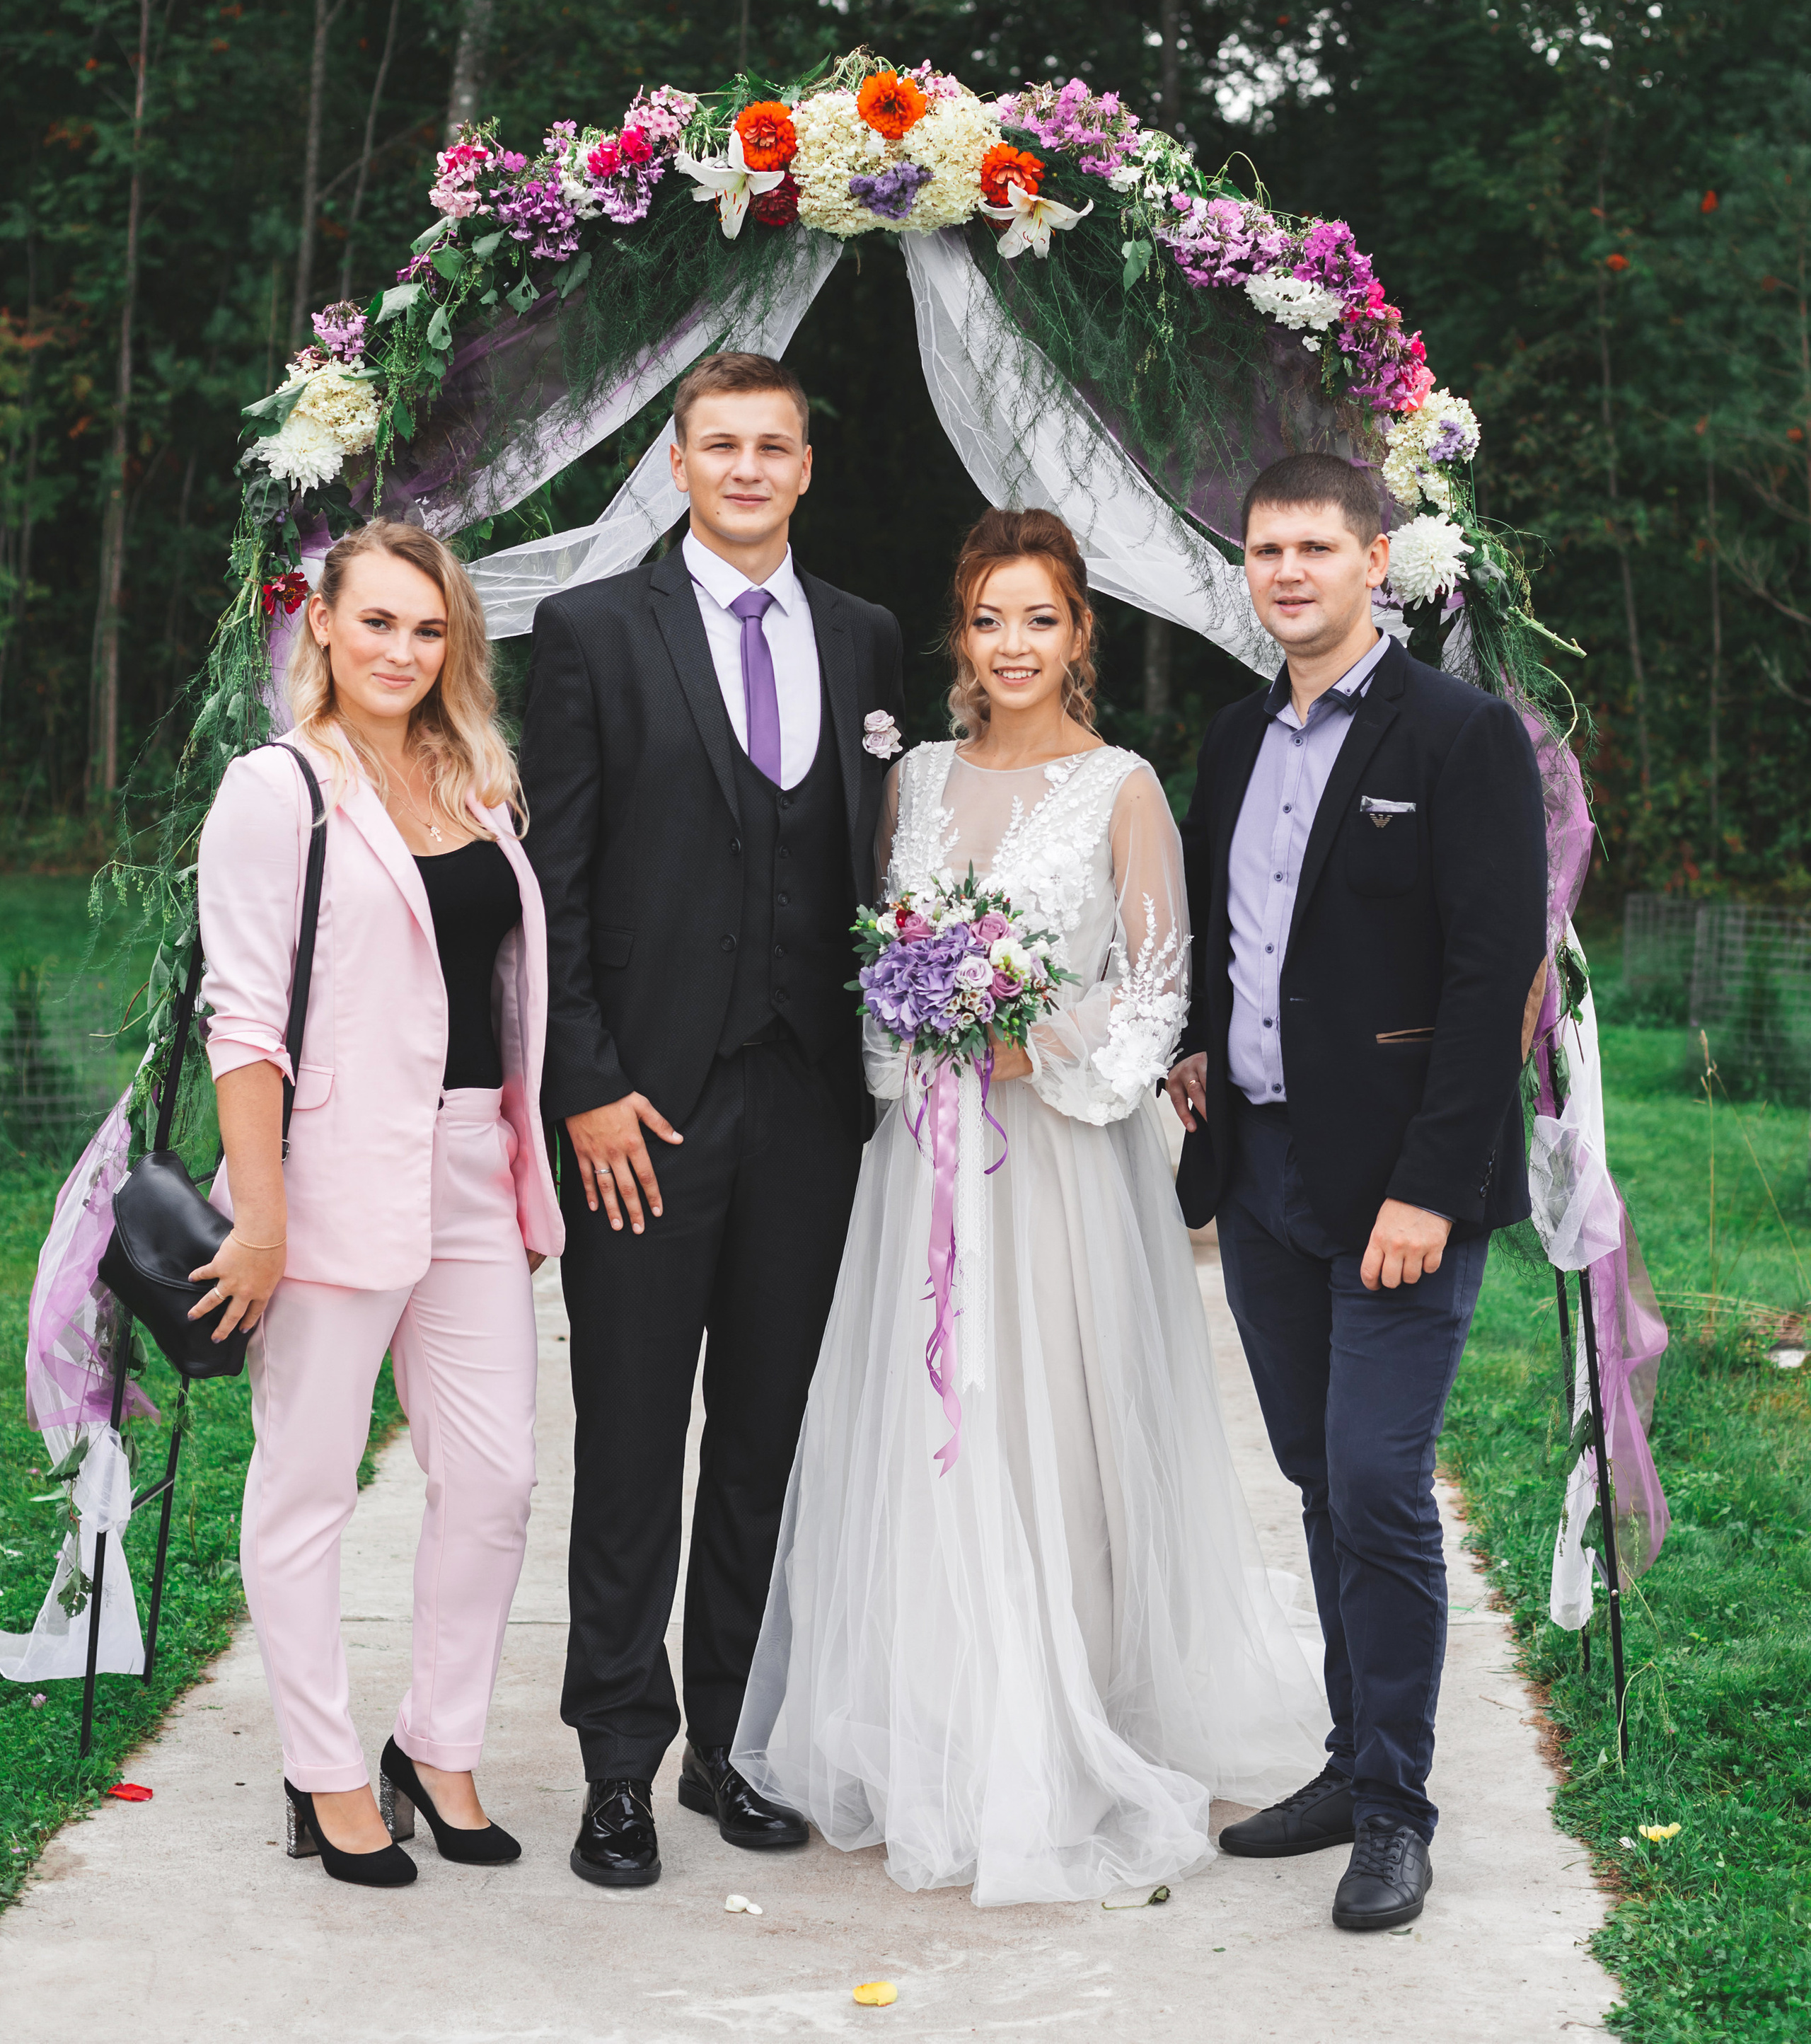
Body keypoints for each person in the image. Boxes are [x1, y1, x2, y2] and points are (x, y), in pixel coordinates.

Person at [734, 507, 1324, 1905]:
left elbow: (1156, 985)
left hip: (1057, 1163)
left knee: (1050, 1429)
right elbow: (878, 954)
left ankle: (1065, 1720)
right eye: (989, 618)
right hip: (924, 1160)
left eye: (1038, 619)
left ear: (1078, 636)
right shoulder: (916, 780)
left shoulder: (1119, 785)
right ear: (962, 632)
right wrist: (920, 1043)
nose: (1012, 645)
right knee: (926, 1429)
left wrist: (1036, 1049)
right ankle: (939, 1716)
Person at [519, 350, 904, 1890]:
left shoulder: (866, 639)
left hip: (811, 1102)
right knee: (627, 1442)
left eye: (773, 446)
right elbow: (553, 889)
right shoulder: (590, 631)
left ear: (805, 468)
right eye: (718, 445)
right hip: (641, 1114)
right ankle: (616, 1760)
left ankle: (727, 1744)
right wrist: (588, 1086)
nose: (746, 468)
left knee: (763, 1444)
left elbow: (885, 862)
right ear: (676, 464)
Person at [1165, 451, 1548, 1933]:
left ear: (1372, 561)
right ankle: (1347, 1757)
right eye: (1263, 550)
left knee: (1380, 1485)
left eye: (1314, 548)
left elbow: (1484, 977)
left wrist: (1428, 1190)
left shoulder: (1458, 739)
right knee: (1318, 1481)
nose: (1285, 573)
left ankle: (1395, 1809)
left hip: (1397, 1193)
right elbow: (1234, 938)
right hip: (1258, 1173)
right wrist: (1198, 1051)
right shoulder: (1225, 742)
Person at [192, 519, 562, 1888]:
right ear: (323, 630)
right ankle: (326, 1770)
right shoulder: (274, 790)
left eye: (428, 629)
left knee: (496, 1479)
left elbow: (497, 991)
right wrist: (264, 1216)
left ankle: (439, 1745)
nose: (401, 651)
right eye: (378, 623)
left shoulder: (477, 780)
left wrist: (518, 1164)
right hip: (331, 1179)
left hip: (471, 1166)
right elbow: (247, 1021)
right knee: (306, 1486)